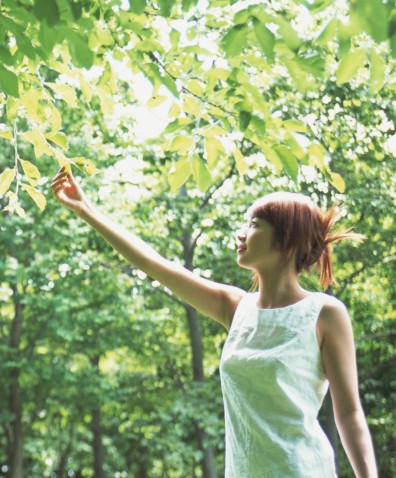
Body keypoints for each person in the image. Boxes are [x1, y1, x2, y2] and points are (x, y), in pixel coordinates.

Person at [50, 167, 378, 478]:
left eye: (254, 224)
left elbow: (348, 413)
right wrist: (86, 210)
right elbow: (154, 264)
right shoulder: (234, 308)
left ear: (286, 239)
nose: (241, 233)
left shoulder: (324, 313)